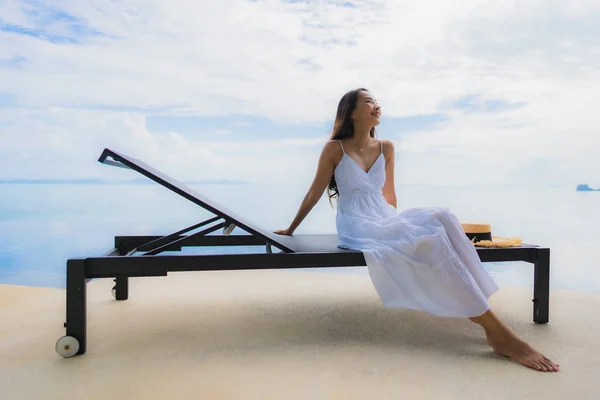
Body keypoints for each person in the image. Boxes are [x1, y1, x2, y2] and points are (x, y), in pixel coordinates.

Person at [274, 88, 560, 372]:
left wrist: (402, 227)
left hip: (383, 217)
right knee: (432, 241)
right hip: (357, 223)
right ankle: (499, 333)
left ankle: (479, 305)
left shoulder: (386, 146)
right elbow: (314, 191)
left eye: (377, 102)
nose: (377, 106)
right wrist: (291, 228)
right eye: (368, 101)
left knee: (443, 216)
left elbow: (390, 196)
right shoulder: (335, 148)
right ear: (351, 112)